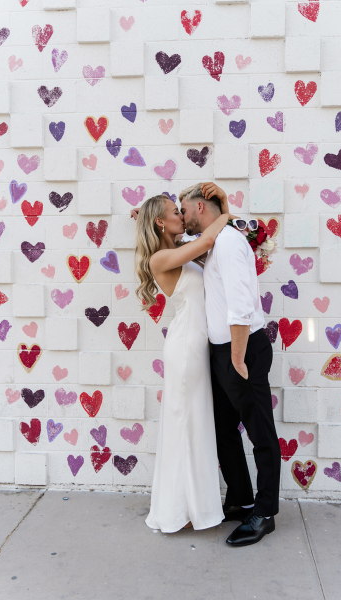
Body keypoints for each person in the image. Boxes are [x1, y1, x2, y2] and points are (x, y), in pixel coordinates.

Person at [179, 183, 281, 547]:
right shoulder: (213, 240)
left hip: (243, 350)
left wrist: (237, 357)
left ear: (202, 208)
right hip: (224, 352)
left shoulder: (230, 242)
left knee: (260, 432)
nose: (181, 214)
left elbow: (241, 304)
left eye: (184, 208)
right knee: (222, 427)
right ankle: (241, 497)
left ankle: (265, 512)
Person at [133, 188, 232, 533]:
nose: (182, 215)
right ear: (161, 222)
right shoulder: (159, 260)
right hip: (186, 349)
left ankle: (192, 505)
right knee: (186, 426)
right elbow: (206, 242)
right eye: (175, 212)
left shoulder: (174, 251)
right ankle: (180, 509)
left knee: (194, 425)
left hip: (194, 345)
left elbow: (204, 244)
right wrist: (227, 213)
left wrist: (149, 215)